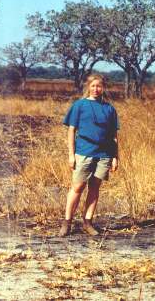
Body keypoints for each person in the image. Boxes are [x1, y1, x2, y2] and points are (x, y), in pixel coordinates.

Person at [59, 74, 119, 237]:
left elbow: (114, 135)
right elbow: (71, 130)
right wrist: (71, 155)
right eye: (93, 86)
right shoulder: (79, 105)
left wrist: (115, 157)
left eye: (99, 86)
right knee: (77, 187)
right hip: (84, 152)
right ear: (88, 87)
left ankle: (88, 222)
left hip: (104, 154)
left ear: (103, 87)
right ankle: (67, 222)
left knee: (94, 187)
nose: (96, 89)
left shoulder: (109, 109)